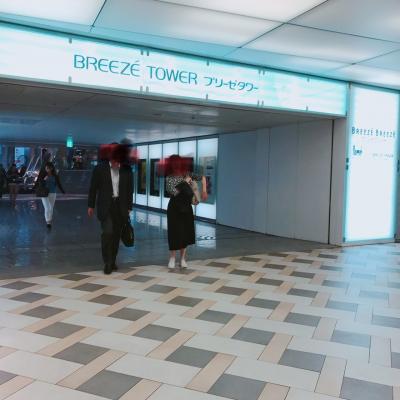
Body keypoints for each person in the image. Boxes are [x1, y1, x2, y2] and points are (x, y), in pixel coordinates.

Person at [88, 149, 133, 275]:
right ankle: (107, 262)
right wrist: (90, 205)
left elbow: (130, 189)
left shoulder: (126, 170)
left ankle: (112, 260)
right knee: (107, 232)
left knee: (116, 235)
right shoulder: (99, 169)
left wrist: (129, 206)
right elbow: (93, 188)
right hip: (106, 206)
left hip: (120, 206)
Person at [165, 155, 207, 271]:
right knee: (174, 232)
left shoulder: (187, 174)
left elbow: (203, 177)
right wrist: (184, 182)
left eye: (178, 163)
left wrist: (204, 191)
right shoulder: (169, 178)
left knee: (185, 233)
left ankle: (183, 259)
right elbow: (173, 192)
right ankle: (172, 258)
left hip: (186, 207)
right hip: (174, 208)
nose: (176, 166)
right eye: (174, 163)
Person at [36, 162, 65, 229]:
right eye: (46, 168)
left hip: (53, 193)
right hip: (44, 193)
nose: (47, 169)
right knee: (47, 207)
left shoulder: (55, 176)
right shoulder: (43, 175)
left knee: (51, 208)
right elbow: (39, 183)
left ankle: (49, 220)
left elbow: (58, 184)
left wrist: (63, 191)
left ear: (51, 168)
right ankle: (48, 222)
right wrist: (44, 179)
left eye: (48, 168)